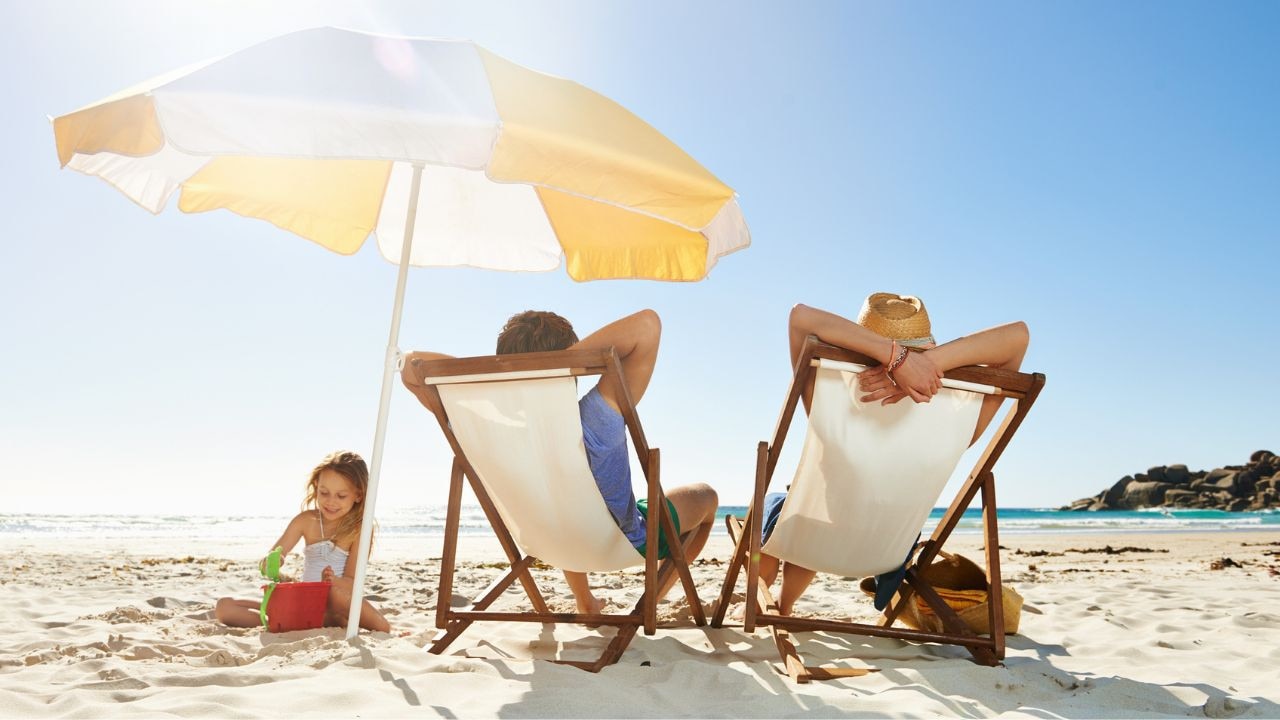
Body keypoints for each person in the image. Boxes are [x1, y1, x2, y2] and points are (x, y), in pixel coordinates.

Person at [401, 309, 719, 617]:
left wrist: (504, 377)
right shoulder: (597, 417)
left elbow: (410, 366)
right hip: (624, 542)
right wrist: (558, 367)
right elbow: (647, 325)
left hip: (548, 542)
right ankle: (651, 599)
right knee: (707, 497)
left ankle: (585, 601)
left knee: (561, 498)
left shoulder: (481, 426)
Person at [759, 293, 1030, 615]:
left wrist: (896, 358)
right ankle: (783, 602)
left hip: (811, 543)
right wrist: (927, 363)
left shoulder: (831, 399)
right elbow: (1019, 336)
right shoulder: (961, 416)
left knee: (787, 507)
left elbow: (801, 317)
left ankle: (779, 604)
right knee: (822, 516)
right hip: (886, 553)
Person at [214, 450, 391, 633]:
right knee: (223, 606)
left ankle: (318, 620)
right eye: (324, 492)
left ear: (358, 495)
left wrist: (333, 581)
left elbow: (353, 582)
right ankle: (291, 620)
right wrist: (273, 561)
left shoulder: (359, 529)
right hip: (304, 604)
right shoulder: (305, 521)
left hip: (336, 603)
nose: (331, 502)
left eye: (341, 496)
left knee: (375, 622)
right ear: (316, 486)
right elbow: (275, 553)